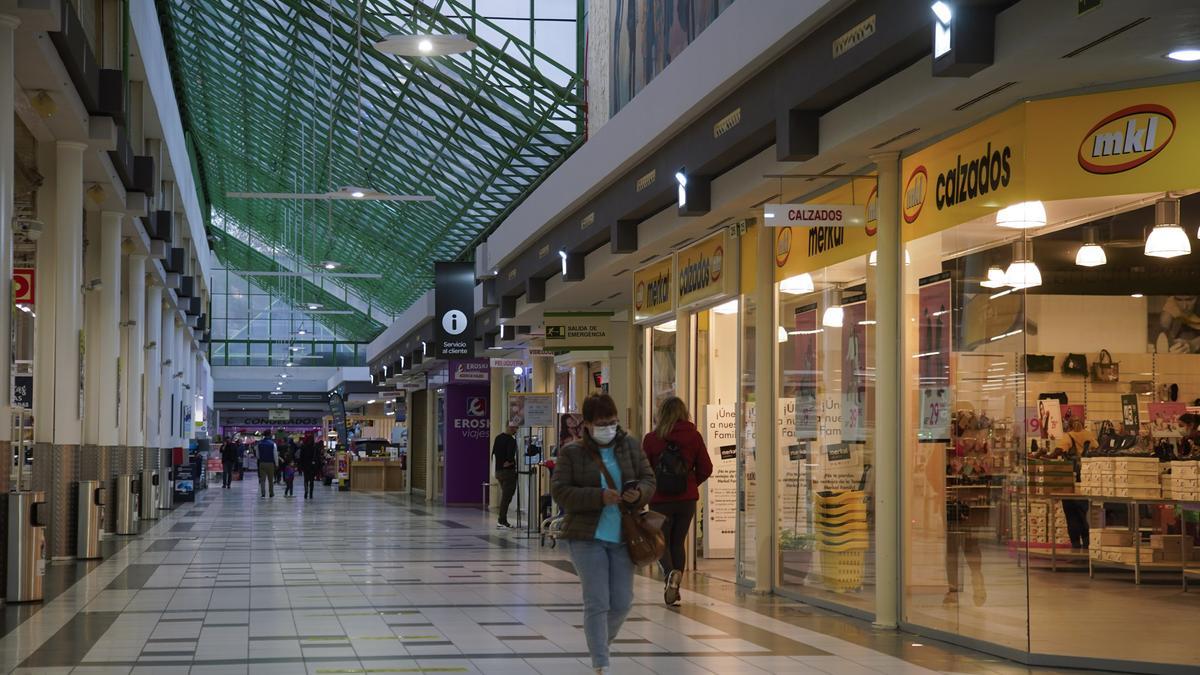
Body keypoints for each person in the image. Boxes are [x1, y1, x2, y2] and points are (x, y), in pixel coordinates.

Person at [551, 393, 656, 675]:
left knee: (622, 601)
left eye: (612, 422)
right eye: (601, 423)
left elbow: (649, 479)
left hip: (624, 535)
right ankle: (600, 663)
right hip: (586, 537)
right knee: (597, 600)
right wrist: (598, 497)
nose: (608, 427)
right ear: (586, 424)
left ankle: (600, 644)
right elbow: (559, 491)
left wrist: (638, 494)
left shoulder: (631, 447)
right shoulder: (572, 453)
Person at [641, 396, 713, 606]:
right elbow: (706, 468)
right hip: (686, 499)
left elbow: (644, 469)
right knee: (678, 542)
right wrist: (690, 483)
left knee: (661, 542)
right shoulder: (694, 437)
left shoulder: (652, 438)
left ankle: (669, 576)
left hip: (659, 499)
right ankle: (675, 586)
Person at [1054, 418, 1098, 550]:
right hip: (1085, 478)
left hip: (1070, 478)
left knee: (1070, 512)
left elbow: (1058, 451)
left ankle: (1075, 544)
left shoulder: (1067, 436)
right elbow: (1097, 449)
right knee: (1083, 512)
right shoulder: (1089, 435)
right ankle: (1087, 543)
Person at [492, 423, 519, 528]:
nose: (516, 430)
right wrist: (512, 462)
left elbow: (494, 454)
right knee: (506, 497)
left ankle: (502, 519)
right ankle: (502, 520)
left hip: (498, 471)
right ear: (511, 427)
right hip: (508, 472)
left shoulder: (498, 438)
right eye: (516, 428)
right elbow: (510, 457)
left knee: (505, 496)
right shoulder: (511, 440)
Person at [256, 432, 280, 498]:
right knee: (270, 480)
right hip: (270, 463)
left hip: (262, 463)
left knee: (262, 480)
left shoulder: (259, 444)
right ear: (269, 435)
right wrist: (277, 464)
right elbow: (275, 455)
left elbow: (257, 455)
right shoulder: (273, 444)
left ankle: (263, 493)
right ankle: (271, 493)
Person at [298, 433, 321, 499]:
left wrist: (301, 466)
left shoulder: (303, 447)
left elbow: (301, 457)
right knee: (311, 480)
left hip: (305, 465)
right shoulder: (315, 447)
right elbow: (318, 457)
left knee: (306, 480)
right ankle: (311, 494)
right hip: (312, 466)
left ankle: (306, 492)